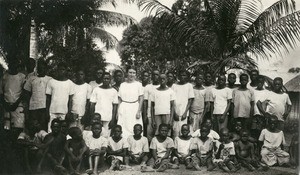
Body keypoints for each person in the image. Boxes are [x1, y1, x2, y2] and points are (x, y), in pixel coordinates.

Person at [46, 63, 75, 132]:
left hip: (64, 112)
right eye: (59, 69)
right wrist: (47, 112)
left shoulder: (70, 83)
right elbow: (48, 98)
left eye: (63, 69)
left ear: (66, 71)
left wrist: (69, 112)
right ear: (57, 70)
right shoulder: (51, 82)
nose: (61, 71)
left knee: (62, 132)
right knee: (50, 131)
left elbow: (70, 100)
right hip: (52, 112)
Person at [24, 60, 52, 131]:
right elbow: (27, 95)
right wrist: (27, 110)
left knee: (43, 128)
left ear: (46, 68)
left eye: (43, 67)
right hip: (33, 108)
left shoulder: (50, 79)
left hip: (44, 108)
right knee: (33, 128)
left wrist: (47, 111)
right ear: (37, 68)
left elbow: (51, 96)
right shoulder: (31, 79)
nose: (41, 69)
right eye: (39, 68)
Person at [117, 66, 144, 138]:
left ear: (136, 74)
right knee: (123, 127)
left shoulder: (138, 84)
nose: (132, 74)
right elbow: (119, 99)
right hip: (124, 107)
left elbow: (141, 98)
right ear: (127, 73)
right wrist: (118, 111)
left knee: (134, 127)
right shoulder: (122, 85)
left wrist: (139, 111)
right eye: (130, 72)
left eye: (134, 73)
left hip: (134, 107)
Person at [2, 61, 26, 137]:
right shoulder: (4, 77)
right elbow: (1, 92)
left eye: (15, 64)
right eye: (11, 64)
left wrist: (16, 104)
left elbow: (24, 92)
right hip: (6, 107)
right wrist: (5, 104)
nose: (13, 66)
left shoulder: (22, 77)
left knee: (18, 129)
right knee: (7, 130)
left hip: (18, 107)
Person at [172, 70, 194, 138]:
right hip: (175, 112)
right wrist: (174, 113)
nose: (182, 77)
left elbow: (190, 100)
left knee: (184, 131)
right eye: (181, 75)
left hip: (184, 113)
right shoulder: (174, 85)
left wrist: (185, 113)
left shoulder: (189, 86)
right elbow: (172, 100)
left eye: (184, 75)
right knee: (175, 132)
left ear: (187, 77)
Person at [143, 69, 160, 139]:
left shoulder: (163, 87)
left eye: (157, 75)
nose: (155, 76)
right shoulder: (148, 87)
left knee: (158, 133)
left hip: (159, 114)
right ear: (151, 76)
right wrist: (145, 116)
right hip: (149, 114)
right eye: (154, 75)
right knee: (149, 134)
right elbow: (145, 102)